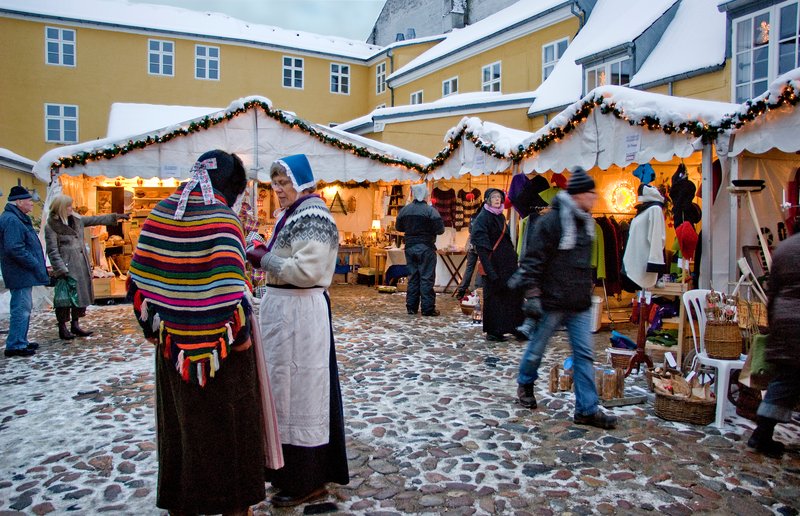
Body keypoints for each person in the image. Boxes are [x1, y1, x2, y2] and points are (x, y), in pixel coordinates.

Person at [128, 150, 270, 515]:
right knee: (230, 428)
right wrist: (238, 340)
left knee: (182, 426)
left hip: (173, 350)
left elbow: (139, 277)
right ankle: (234, 506)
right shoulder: (223, 220)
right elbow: (230, 289)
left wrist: (153, 327)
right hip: (222, 357)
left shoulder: (160, 212)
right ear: (232, 188)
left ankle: (182, 500)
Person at [246, 154, 349, 507]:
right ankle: (287, 472)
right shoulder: (293, 215)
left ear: (302, 183)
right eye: (274, 184)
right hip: (287, 313)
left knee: (302, 393)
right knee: (283, 394)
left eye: (284, 183)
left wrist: (263, 257)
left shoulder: (314, 215)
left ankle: (307, 479)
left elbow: (306, 271)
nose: (278, 190)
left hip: (301, 314)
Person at [511, 168, 617, 429]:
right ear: (579, 194)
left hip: (578, 301)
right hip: (552, 299)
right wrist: (534, 295)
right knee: (537, 349)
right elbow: (532, 261)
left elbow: (584, 264)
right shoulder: (550, 222)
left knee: (584, 355)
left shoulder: (586, 224)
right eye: (591, 193)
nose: (594, 198)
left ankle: (587, 409)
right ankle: (525, 383)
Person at [44, 194, 128, 340]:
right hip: (67, 266)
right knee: (64, 299)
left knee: (80, 295)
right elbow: (52, 250)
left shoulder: (76, 220)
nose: (72, 208)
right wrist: (61, 268)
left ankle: (75, 324)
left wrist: (117, 217)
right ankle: (62, 326)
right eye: (69, 206)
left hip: (80, 265)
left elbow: (95, 219)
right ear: (61, 208)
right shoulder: (52, 226)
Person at [747, 228, 800, 458]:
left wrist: (772, 322)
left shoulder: (784, 249)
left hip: (783, 318)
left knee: (785, 379)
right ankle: (761, 434)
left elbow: (773, 290)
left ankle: (762, 432)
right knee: (787, 380)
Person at [0, 186, 50, 357]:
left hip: (21, 272)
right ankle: (15, 345)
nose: (31, 204)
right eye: (29, 201)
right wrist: (34, 263)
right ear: (19, 202)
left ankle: (20, 340)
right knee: (21, 308)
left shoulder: (16, 218)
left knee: (23, 307)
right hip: (19, 272)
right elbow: (14, 248)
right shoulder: (12, 220)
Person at [470, 188, 524, 341]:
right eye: (493, 197)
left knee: (511, 295)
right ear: (487, 199)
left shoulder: (500, 216)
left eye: (499, 197)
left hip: (507, 265)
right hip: (493, 265)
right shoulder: (483, 218)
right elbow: (481, 246)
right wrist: (490, 271)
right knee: (494, 298)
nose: (497, 199)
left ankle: (513, 327)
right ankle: (494, 331)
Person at [395, 183, 445, 316]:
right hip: (426, 247)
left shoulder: (404, 210)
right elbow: (440, 230)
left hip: (410, 247)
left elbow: (398, 227)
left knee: (413, 277)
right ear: (424, 195)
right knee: (426, 277)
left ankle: (411, 307)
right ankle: (427, 308)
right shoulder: (431, 211)